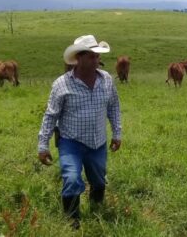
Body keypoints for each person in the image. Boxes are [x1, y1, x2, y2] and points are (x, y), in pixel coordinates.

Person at [37, 34, 122, 229]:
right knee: (72, 179)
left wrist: (117, 133)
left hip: (98, 142)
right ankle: (72, 222)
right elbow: (50, 116)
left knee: (99, 180)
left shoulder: (106, 80)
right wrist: (43, 145)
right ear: (78, 58)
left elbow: (114, 107)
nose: (96, 60)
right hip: (71, 142)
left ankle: (97, 210)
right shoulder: (62, 84)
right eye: (91, 56)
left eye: (97, 56)